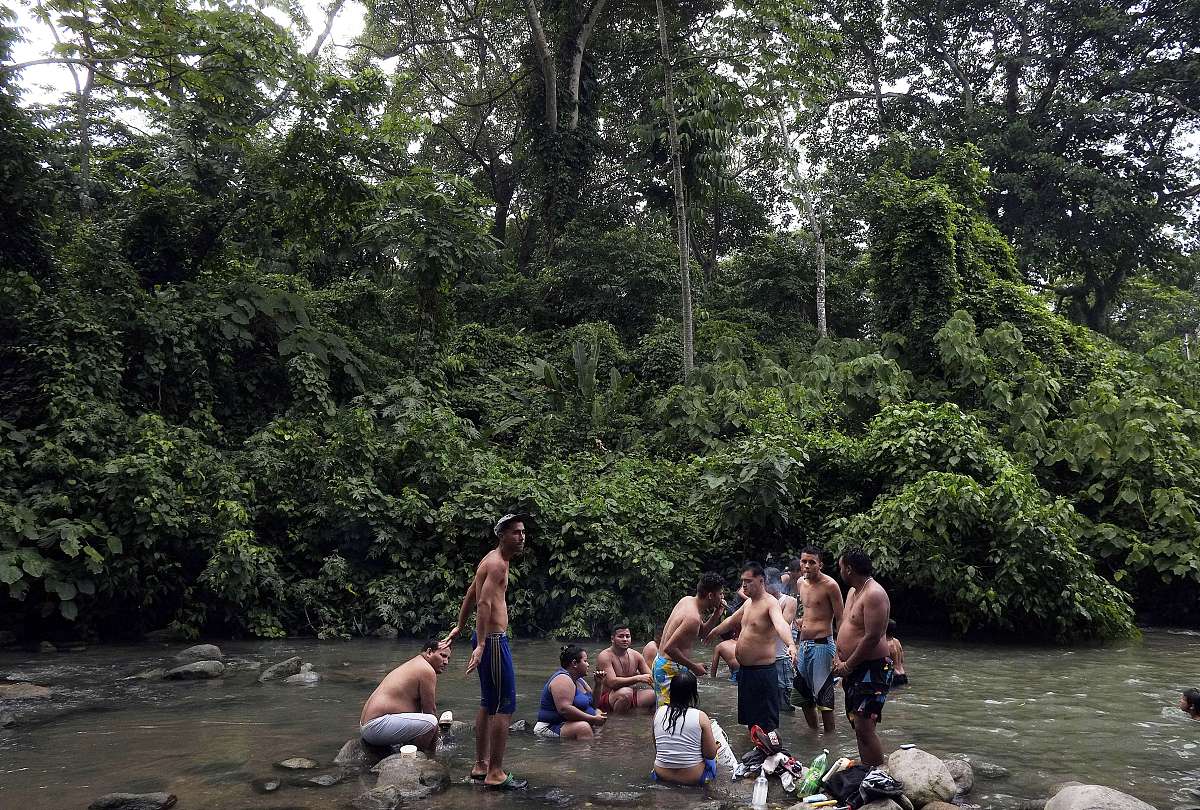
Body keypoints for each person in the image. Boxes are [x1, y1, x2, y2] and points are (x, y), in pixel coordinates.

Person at [442, 513, 528, 790]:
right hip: (492, 642)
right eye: (515, 532)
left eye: (523, 532)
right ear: (501, 535)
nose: (521, 536)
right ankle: (496, 773)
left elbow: (470, 591)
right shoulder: (498, 565)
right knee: (506, 704)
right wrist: (480, 644)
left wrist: (459, 626)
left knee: (488, 702)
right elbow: (483, 604)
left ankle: (480, 765)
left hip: (487, 641)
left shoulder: (491, 559)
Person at [707, 562, 797, 733]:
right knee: (751, 721)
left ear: (761, 581)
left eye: (748, 581)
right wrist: (713, 631)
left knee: (767, 724)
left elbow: (781, 624)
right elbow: (732, 620)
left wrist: (791, 644)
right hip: (746, 672)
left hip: (763, 672)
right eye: (742, 581)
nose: (744, 585)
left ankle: (770, 756)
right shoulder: (749, 603)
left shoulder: (770, 603)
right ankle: (754, 755)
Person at [832, 548, 892, 766]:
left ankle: (876, 775)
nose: (839, 571)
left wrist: (847, 665)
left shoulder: (874, 593)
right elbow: (848, 628)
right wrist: (839, 659)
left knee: (866, 727)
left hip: (872, 667)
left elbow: (872, 637)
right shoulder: (852, 592)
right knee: (858, 726)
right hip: (853, 666)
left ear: (849, 569)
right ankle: (868, 770)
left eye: (840, 567)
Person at [358, 639, 452, 753]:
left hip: (369, 727)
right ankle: (420, 757)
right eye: (443, 655)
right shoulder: (426, 670)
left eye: (448, 658)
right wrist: (435, 749)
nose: (446, 662)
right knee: (431, 721)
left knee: (426, 720)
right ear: (429, 652)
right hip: (375, 728)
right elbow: (430, 711)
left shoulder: (416, 663)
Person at [652, 572, 728, 705]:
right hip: (668, 669)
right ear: (710, 595)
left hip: (665, 664)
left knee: (675, 713)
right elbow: (669, 648)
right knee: (668, 714)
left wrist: (717, 613)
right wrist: (693, 667)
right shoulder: (692, 617)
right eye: (720, 594)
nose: (722, 597)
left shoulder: (687, 600)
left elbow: (702, 633)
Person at [794, 545, 845, 733]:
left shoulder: (830, 585)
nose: (806, 565)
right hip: (804, 645)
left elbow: (841, 618)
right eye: (803, 561)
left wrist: (839, 653)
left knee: (824, 698)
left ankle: (830, 739)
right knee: (803, 696)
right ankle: (814, 736)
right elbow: (806, 611)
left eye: (811, 562)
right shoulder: (800, 582)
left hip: (823, 645)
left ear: (820, 564)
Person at [651, 670, 719, 785]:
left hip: (661, 774)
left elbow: (657, 749)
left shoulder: (658, 713)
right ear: (693, 694)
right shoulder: (701, 717)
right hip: (693, 778)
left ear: (671, 691)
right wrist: (716, 747)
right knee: (714, 758)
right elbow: (710, 754)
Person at [534, 645, 608, 739]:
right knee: (583, 728)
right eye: (585, 661)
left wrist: (598, 684)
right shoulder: (562, 679)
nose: (588, 664)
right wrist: (592, 719)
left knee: (597, 712)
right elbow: (564, 709)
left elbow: (594, 705)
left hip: (567, 724)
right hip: (549, 727)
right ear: (574, 663)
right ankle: (585, 753)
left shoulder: (580, 680)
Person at [594, 623, 656, 712]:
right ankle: (618, 723)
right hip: (608, 696)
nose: (625, 639)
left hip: (630, 693)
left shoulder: (636, 655)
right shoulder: (605, 656)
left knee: (656, 696)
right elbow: (612, 683)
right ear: (612, 639)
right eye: (621, 636)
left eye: (627, 636)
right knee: (625, 693)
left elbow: (651, 677)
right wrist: (638, 678)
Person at [766, 567, 799, 713]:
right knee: (769, 702)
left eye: (767, 583)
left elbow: (783, 625)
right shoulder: (762, 602)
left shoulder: (789, 601)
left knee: (785, 704)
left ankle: (788, 734)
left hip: (782, 658)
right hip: (766, 659)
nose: (765, 587)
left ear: (777, 583)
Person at [887, 620, 908, 687]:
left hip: (894, 676)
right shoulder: (897, 641)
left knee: (891, 696)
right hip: (903, 675)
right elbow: (902, 660)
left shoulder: (885, 644)